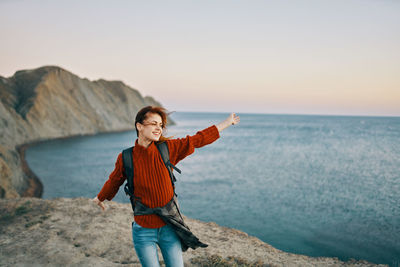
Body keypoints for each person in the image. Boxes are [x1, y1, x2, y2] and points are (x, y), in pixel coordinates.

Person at [92, 106, 240, 267]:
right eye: (154, 124)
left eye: (161, 125)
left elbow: (198, 139)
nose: (158, 128)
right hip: (143, 232)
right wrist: (100, 197)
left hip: (170, 228)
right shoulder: (126, 157)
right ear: (139, 126)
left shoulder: (168, 149)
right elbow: (114, 181)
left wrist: (226, 123)